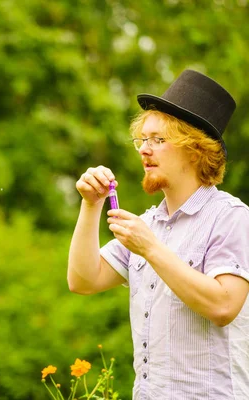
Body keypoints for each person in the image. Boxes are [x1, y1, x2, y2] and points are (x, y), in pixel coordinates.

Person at [67, 70, 249, 399]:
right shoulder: (147, 225)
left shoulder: (230, 217)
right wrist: (90, 205)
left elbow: (224, 306)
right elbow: (83, 280)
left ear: (196, 149)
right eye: (143, 139)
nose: (144, 150)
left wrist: (150, 249)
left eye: (158, 140)